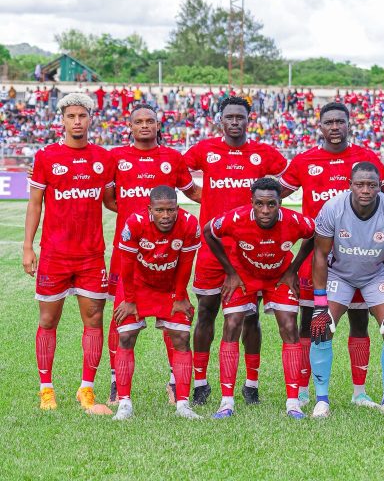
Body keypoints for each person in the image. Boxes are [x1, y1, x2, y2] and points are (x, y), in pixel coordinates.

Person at [279, 101, 384, 408]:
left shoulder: (366, 159)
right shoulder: (305, 161)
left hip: (368, 261)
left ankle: (361, 393)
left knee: (361, 323)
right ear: (320, 126)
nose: (335, 127)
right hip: (322, 257)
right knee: (311, 323)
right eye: (329, 122)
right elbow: (272, 194)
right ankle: (305, 391)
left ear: (348, 124)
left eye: (340, 122)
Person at [183, 96, 288, 405]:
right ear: (220, 120)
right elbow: (179, 171)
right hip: (212, 249)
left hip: (249, 251)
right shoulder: (205, 150)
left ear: (248, 120)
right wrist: (203, 196)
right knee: (206, 312)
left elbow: (287, 179)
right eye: (229, 116)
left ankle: (251, 385)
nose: (234, 122)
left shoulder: (263, 153)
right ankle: (200, 383)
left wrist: (269, 208)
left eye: (240, 117)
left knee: (248, 317)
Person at [23, 93, 115, 412]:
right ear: (62, 120)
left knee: (94, 319)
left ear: (91, 119)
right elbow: (35, 205)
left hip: (91, 256)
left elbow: (112, 201)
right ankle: (46, 390)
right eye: (71, 116)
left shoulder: (103, 158)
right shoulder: (46, 156)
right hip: (54, 255)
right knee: (48, 320)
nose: (77, 121)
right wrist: (28, 247)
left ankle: (86, 389)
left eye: (82, 116)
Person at [105, 103, 201, 406]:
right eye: (139, 121)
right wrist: (137, 225)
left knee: (173, 315)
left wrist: (230, 193)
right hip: (128, 252)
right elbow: (109, 199)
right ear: (130, 126)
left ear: (158, 125)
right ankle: (115, 382)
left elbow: (194, 193)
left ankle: (175, 381)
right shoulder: (116, 157)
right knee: (120, 315)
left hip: (168, 255)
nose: (145, 126)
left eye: (150, 121)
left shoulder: (172, 157)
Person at [203, 178, 315, 419]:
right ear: (251, 202)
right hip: (243, 276)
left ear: (280, 203)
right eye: (259, 204)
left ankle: (293, 403)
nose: (265, 210)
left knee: (289, 327)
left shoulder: (295, 221)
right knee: (232, 324)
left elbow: (315, 234)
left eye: (271, 204)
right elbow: (208, 231)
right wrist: (230, 272)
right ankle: (226, 402)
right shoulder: (236, 218)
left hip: (278, 277)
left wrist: (293, 270)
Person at [309, 162, 384, 418]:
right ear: (350, 185)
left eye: (372, 185)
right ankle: (322, 400)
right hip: (339, 274)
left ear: (379, 187)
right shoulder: (332, 208)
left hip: (376, 275)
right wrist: (320, 305)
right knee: (321, 326)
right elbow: (320, 255)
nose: (366, 190)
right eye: (360, 184)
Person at [112, 186, 201, 420]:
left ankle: (183, 404)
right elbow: (125, 265)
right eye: (159, 210)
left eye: (170, 210)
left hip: (169, 287)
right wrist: (129, 300)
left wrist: (180, 297)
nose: (165, 215)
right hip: (135, 285)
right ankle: (124, 404)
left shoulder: (190, 224)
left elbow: (186, 264)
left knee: (181, 337)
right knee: (126, 336)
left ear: (177, 209)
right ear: (149, 209)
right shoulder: (134, 224)